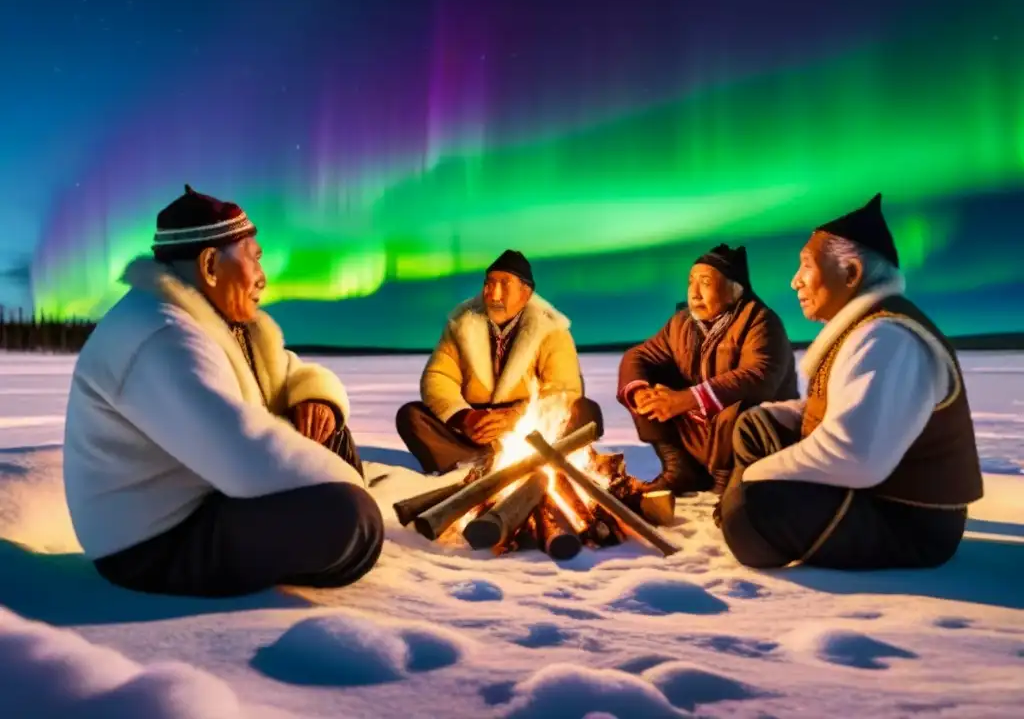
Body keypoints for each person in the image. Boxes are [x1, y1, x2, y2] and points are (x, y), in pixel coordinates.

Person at [63, 185, 383, 597]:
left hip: (200, 499)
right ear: (211, 264)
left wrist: (314, 396)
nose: (262, 278)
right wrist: (350, 490)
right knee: (351, 518)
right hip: (152, 544)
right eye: (254, 259)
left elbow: (285, 374)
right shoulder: (161, 334)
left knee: (325, 424)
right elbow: (242, 456)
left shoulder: (212, 322)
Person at [719, 193, 983, 569]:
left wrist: (755, 477)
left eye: (806, 266)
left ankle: (745, 513)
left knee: (750, 510)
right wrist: (785, 416)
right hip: (872, 490)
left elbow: (854, 455)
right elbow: (854, 407)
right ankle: (743, 505)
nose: (795, 282)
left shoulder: (887, 337)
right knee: (755, 427)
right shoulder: (864, 329)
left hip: (906, 520)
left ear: (851, 273)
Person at [396, 250, 603, 473]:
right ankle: (472, 465)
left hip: (530, 429)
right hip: (474, 428)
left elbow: (563, 390)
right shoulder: (462, 324)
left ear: (526, 293)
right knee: (411, 416)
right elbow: (438, 377)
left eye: (504, 285)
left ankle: (526, 463)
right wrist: (465, 417)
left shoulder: (551, 330)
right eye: (489, 284)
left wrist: (512, 419)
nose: (494, 295)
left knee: (585, 412)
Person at [617, 244, 798, 495]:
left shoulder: (760, 322)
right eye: (691, 281)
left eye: (705, 282)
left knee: (737, 405)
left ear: (734, 290)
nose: (695, 293)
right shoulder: (681, 323)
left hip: (754, 437)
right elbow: (639, 356)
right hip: (702, 432)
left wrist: (687, 399)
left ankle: (729, 483)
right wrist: (641, 392)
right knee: (647, 387)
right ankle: (679, 470)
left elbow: (759, 376)